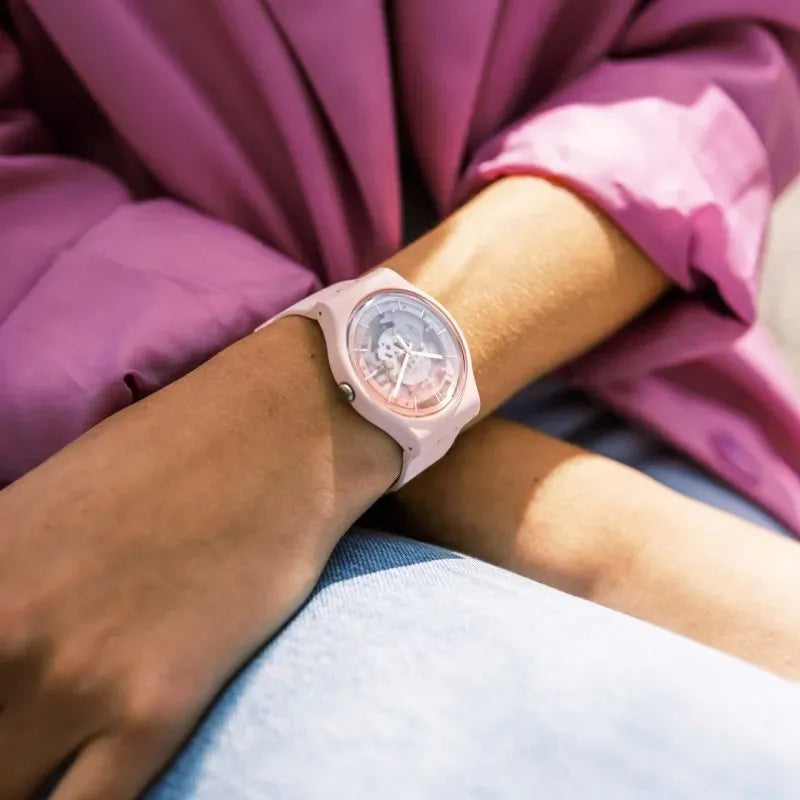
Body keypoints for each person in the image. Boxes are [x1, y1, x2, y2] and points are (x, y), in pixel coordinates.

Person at [2, 1, 800, 797]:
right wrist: (607, 539)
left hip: (625, 355)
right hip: (124, 443)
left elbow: (737, 47)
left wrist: (327, 423)